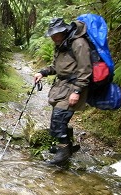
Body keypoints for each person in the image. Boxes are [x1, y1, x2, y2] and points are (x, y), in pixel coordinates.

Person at [33, 17, 91, 166]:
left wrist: (77, 91)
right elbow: (56, 67)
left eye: (55, 34)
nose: (53, 37)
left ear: (63, 31)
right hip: (62, 86)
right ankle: (65, 146)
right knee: (58, 118)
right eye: (52, 34)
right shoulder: (61, 44)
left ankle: (63, 154)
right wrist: (43, 72)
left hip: (74, 86)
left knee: (59, 118)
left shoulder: (79, 43)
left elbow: (85, 70)